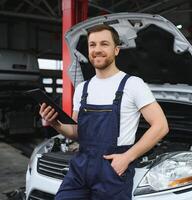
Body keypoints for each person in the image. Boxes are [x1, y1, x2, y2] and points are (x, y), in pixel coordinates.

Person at [39, 24, 169, 200]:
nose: (97, 50)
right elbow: (77, 133)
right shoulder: (82, 88)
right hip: (80, 166)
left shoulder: (133, 84)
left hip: (112, 169)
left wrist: (127, 157)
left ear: (116, 50)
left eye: (104, 44)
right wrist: (55, 123)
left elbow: (160, 126)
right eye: (92, 45)